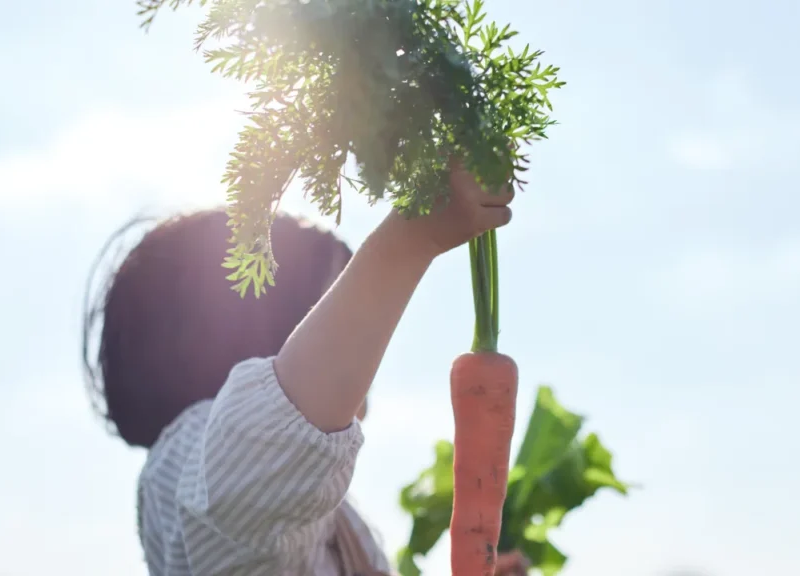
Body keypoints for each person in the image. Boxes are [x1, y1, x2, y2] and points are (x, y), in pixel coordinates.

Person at [81, 162, 529, 575]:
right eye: (335, 299)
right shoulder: (186, 463)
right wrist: (408, 240)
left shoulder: (330, 513)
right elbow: (260, 462)